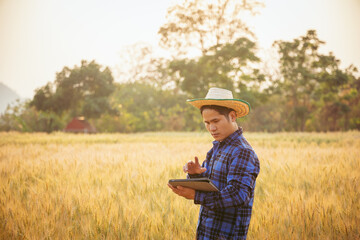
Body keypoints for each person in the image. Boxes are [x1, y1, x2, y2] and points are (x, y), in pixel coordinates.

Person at [168, 87, 260, 240]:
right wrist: (195, 174)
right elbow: (211, 187)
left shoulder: (242, 152)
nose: (211, 128)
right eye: (207, 122)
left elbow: (238, 195)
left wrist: (196, 196)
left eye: (216, 121)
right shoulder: (215, 149)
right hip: (207, 233)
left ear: (232, 116)